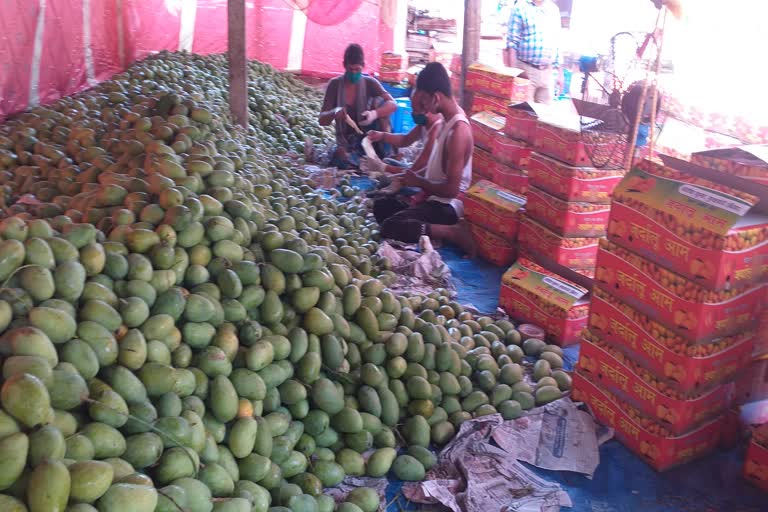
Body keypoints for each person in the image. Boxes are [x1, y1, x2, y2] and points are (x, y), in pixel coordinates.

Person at [372, 63, 475, 257]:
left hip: (448, 205)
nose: (425, 110)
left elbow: (452, 190)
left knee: (391, 227)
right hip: (434, 198)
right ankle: (431, 228)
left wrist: (418, 182)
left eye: (425, 104)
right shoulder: (446, 118)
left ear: (436, 98)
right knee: (382, 206)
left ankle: (452, 232)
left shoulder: (458, 131)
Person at [318, 44, 397, 169]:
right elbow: (322, 120)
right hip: (348, 141)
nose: (354, 73)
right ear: (344, 65)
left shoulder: (370, 83)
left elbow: (393, 105)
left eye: (357, 70)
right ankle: (359, 161)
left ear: (363, 66)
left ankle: (386, 154)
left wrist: (374, 114)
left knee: (381, 104)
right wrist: (334, 112)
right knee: (341, 157)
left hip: (371, 136)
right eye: (351, 69)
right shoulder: (335, 85)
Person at [359, 93, 444, 177]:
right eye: (412, 110)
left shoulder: (435, 131)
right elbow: (405, 140)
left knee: (385, 178)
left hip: (426, 178)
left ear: (427, 108)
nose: (413, 114)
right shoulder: (424, 124)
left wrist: (382, 167)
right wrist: (382, 136)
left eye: (416, 111)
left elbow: (415, 172)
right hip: (418, 172)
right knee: (387, 161)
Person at [504, 0, 563, 104]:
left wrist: (560, 74)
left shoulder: (553, 9)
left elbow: (557, 41)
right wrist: (514, 74)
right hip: (526, 71)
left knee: (545, 116)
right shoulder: (520, 7)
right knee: (525, 113)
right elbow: (512, 43)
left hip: (548, 72)